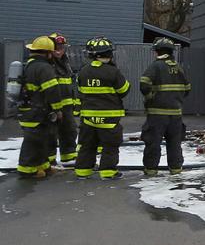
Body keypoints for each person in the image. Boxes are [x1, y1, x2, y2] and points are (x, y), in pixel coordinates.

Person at [75, 38, 130, 180]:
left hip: (88, 118)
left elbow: (80, 91)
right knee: (110, 145)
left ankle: (83, 171)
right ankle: (108, 172)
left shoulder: (83, 71)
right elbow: (124, 90)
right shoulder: (113, 72)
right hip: (109, 119)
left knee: (87, 145)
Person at [16, 36, 68, 180]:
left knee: (41, 140)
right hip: (37, 112)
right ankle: (27, 170)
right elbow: (52, 90)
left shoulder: (29, 65)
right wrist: (58, 109)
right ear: (48, 53)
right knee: (32, 142)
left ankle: (43, 166)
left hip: (29, 110)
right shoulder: (44, 68)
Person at [139, 37, 191, 176]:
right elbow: (187, 88)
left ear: (157, 51)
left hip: (157, 114)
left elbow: (144, 84)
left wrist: (150, 97)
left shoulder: (156, 66)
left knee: (153, 143)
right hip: (175, 114)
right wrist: (176, 100)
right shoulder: (178, 68)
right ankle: (176, 169)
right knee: (174, 143)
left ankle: (151, 170)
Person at [48, 33, 79, 166]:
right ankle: (49, 161)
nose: (59, 50)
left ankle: (69, 158)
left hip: (67, 106)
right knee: (51, 134)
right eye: (56, 47)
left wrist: (74, 102)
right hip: (52, 106)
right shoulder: (47, 64)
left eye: (62, 47)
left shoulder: (65, 62)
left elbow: (70, 83)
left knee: (70, 131)